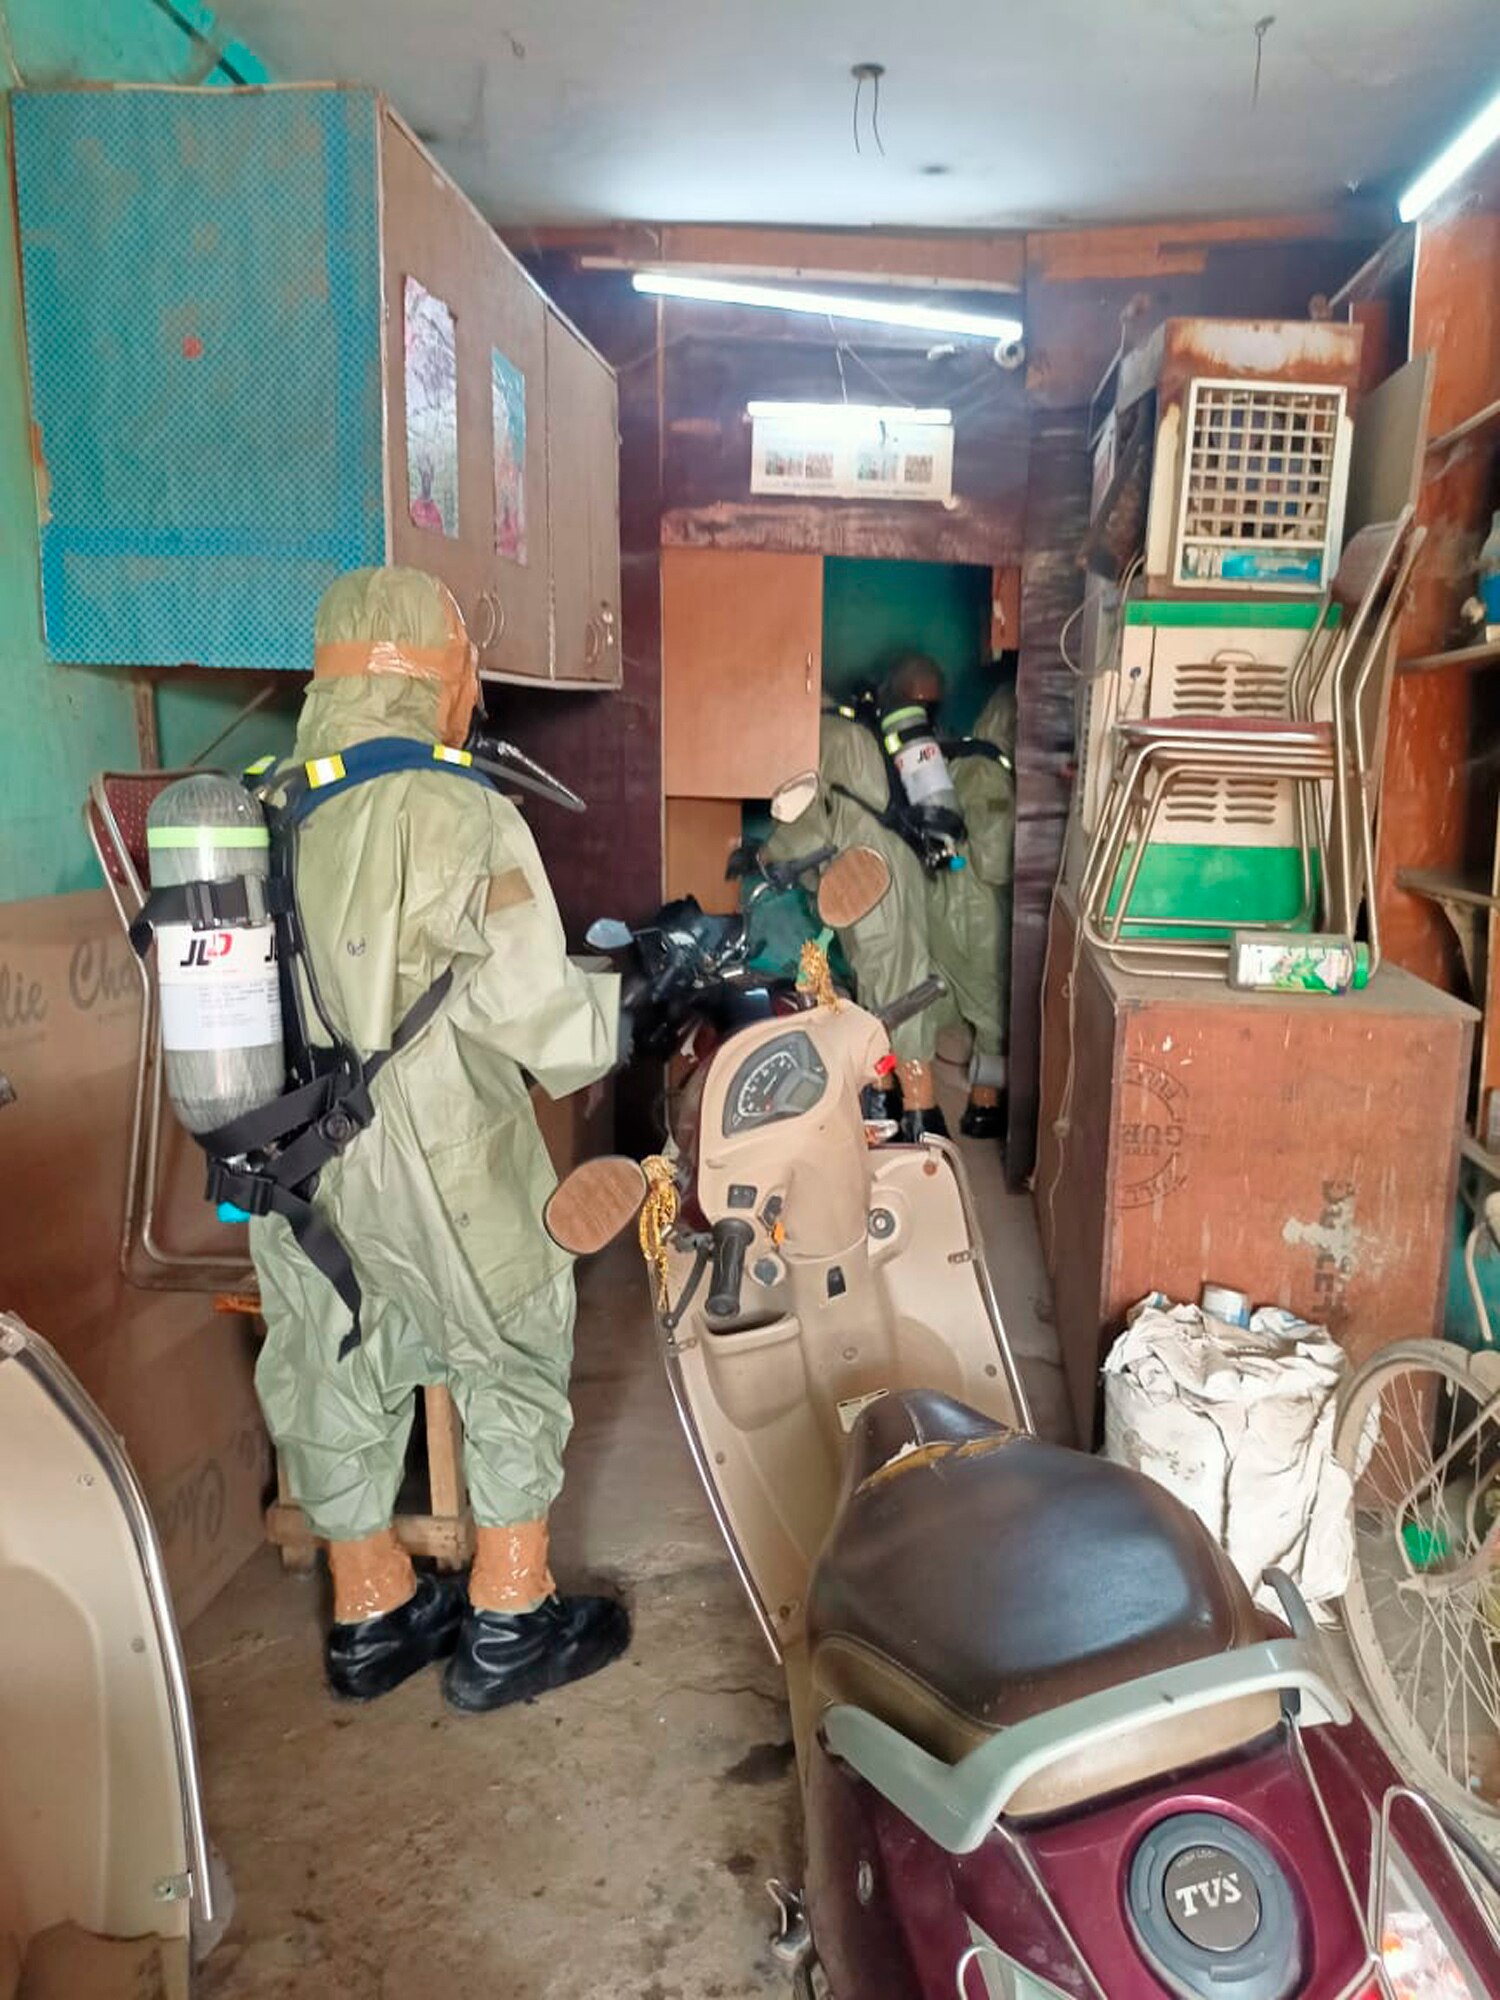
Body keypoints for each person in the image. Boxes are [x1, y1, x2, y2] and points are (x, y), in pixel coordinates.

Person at [250, 566, 630, 1710]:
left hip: (289, 1156)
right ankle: (511, 1615)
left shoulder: (262, 803)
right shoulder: (460, 810)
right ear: (437, 674)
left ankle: (367, 1608)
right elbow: (553, 1034)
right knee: (513, 1334)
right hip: (440, 1146)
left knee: (330, 1354)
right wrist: (623, 999)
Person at [760, 700, 947, 1139]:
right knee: (885, 989)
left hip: (869, 880)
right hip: (883, 872)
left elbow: (810, 821)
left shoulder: (821, 739)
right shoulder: (850, 733)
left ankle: (922, 1115)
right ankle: (887, 1104)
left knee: (895, 993)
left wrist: (767, 854)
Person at [885, 651, 1017, 1140]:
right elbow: (996, 859)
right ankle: (985, 1108)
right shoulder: (987, 770)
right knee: (993, 1013)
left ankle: (910, 1105)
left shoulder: (952, 756)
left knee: (927, 1004)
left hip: (936, 904)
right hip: (974, 913)